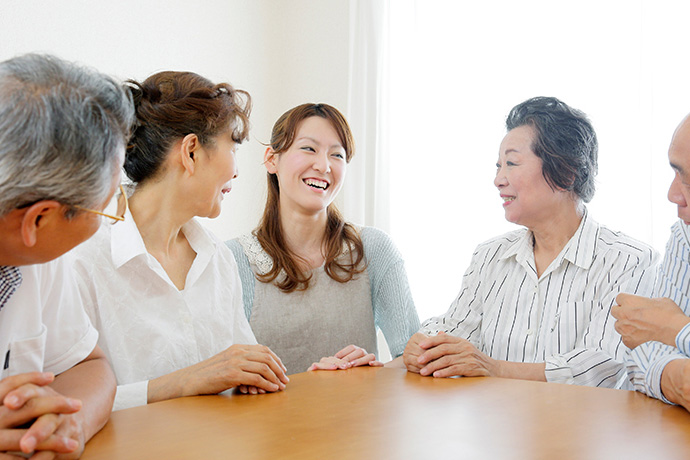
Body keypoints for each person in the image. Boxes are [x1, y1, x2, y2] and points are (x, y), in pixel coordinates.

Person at [402, 96, 657, 388]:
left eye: (511, 163)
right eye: (498, 166)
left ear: (565, 172)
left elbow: (602, 368)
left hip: (584, 431)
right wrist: (424, 346)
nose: (498, 179)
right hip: (495, 427)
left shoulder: (630, 260)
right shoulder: (490, 255)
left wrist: (492, 368)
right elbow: (456, 329)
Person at [71, 71, 288, 411]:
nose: (235, 171)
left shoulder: (218, 259)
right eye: (231, 146)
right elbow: (64, 405)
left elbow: (245, 375)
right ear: (190, 152)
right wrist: (184, 382)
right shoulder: (82, 259)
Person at [0, 54, 133, 458]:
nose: (113, 217)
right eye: (107, 205)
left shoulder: (36, 256)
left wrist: (71, 423)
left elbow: (88, 366)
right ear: (39, 219)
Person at [226, 103, 420, 374]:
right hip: (265, 418)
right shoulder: (231, 260)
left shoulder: (374, 249)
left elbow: (414, 360)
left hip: (357, 416)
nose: (323, 165)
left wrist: (372, 371)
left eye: (337, 155)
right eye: (309, 148)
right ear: (272, 159)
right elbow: (218, 378)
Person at [612, 94, 690, 424]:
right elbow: (640, 349)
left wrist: (675, 327)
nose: (672, 195)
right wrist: (674, 378)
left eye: (688, 181)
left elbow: (657, 327)